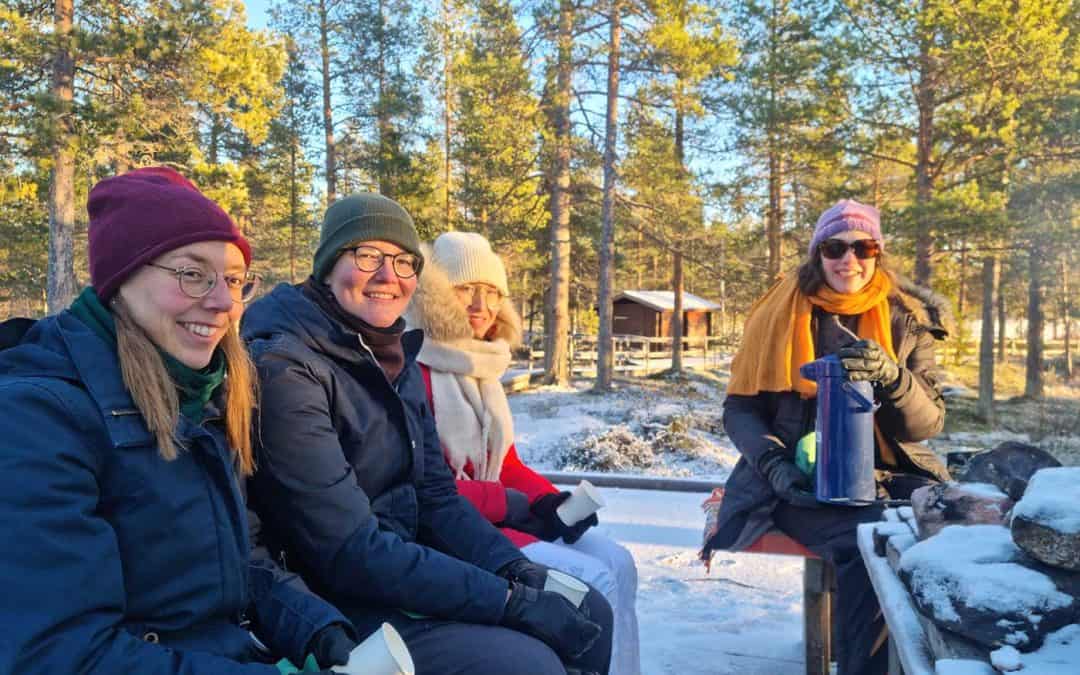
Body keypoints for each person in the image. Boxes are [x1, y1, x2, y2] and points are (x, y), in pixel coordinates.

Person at [0, 167, 358, 674]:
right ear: (123, 277)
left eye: (234, 280)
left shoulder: (203, 393)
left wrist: (320, 631)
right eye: (193, 274)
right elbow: (61, 655)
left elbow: (240, 561)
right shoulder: (36, 419)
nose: (222, 302)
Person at [242, 193, 614, 675]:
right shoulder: (286, 368)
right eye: (367, 256)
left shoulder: (392, 355)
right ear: (329, 265)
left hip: (399, 567)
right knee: (527, 663)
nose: (387, 276)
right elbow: (349, 549)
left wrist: (513, 570)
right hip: (328, 598)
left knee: (589, 612)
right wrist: (508, 602)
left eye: (402, 261)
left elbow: (436, 495)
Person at [702, 200, 951, 675]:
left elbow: (926, 425)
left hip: (888, 472)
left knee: (941, 528)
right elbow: (740, 406)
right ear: (818, 253)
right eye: (835, 247)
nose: (849, 260)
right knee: (868, 539)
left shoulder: (906, 319)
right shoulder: (779, 312)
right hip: (800, 479)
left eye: (863, 247)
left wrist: (893, 379)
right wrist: (773, 464)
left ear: (878, 253)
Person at [405, 231, 641, 675]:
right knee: (594, 580)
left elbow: (505, 464)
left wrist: (552, 501)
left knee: (617, 561)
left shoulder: (481, 366)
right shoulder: (415, 369)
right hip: (455, 533)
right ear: (436, 295)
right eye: (465, 290)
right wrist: (511, 505)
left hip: (494, 517)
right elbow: (427, 487)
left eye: (492, 292)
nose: (481, 304)